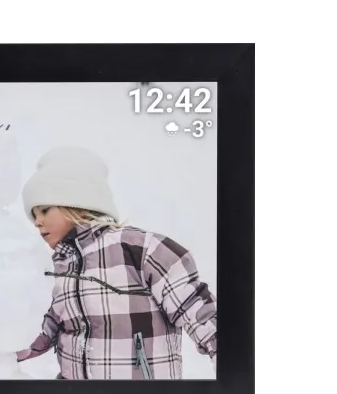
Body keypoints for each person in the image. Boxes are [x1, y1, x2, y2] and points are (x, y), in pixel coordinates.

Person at [16, 146, 217, 380]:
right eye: (34, 215)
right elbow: (38, 331)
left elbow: (195, 308)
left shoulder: (140, 249)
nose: (37, 222)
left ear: (74, 203)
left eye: (44, 210)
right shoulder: (58, 269)